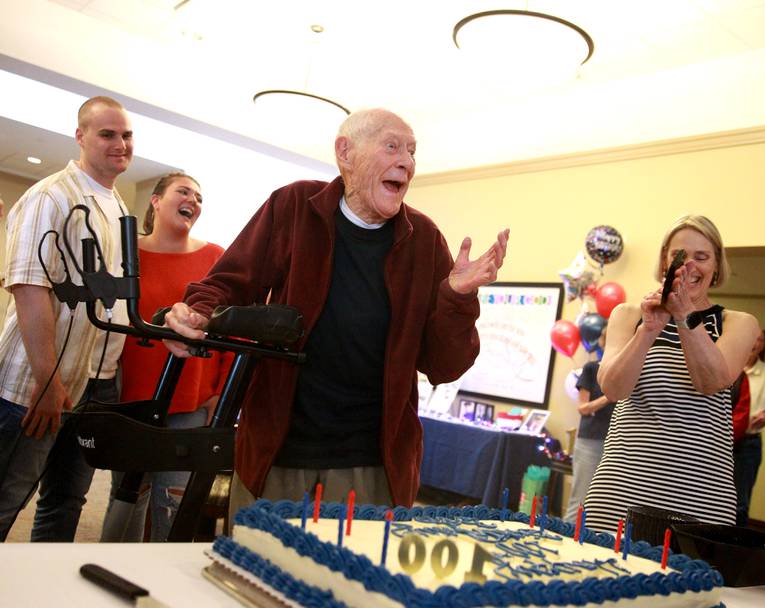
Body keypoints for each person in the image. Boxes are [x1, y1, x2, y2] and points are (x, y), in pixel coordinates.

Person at [164, 108, 510, 512]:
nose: (407, 162)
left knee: (353, 574)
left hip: (372, 463)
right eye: (392, 147)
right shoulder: (294, 205)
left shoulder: (425, 240)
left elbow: (444, 366)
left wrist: (457, 296)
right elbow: (230, 281)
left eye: (413, 153)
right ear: (345, 152)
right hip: (278, 450)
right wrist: (198, 312)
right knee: (255, 567)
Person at [0, 96, 132, 541]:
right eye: (107, 134)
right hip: (38, 385)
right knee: (6, 500)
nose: (120, 144)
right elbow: (29, 286)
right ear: (80, 136)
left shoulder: (118, 209)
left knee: (66, 503)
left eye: (127, 135)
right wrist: (47, 380)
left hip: (96, 382)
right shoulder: (51, 195)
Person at [584, 214, 759, 533]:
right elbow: (613, 388)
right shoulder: (628, 314)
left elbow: (711, 381)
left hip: (701, 503)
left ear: (717, 266)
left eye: (702, 257)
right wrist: (647, 332)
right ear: (665, 262)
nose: (689, 265)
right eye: (679, 256)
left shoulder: (738, 323)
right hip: (621, 494)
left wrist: (684, 315)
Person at [101, 173, 230, 542]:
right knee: (127, 499)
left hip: (191, 400)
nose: (194, 199)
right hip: (132, 401)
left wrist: (219, 391)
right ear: (156, 201)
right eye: (184, 191)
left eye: (199, 196)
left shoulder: (215, 257)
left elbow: (228, 333)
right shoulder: (127, 252)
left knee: (173, 506)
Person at [564, 330, 616, 523]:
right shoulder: (591, 369)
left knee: (606, 503)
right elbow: (583, 408)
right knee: (580, 499)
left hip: (618, 444)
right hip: (591, 441)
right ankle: (564, 540)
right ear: (602, 343)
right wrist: (608, 398)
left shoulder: (628, 371)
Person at [734, 328, 765, 526]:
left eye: (759, 340)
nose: (754, 343)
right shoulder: (729, 366)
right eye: (752, 338)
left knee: (741, 502)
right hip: (720, 440)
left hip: (748, 444)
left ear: (762, 344)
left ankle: (736, 551)